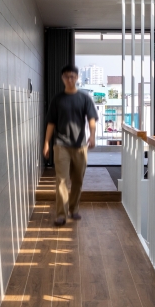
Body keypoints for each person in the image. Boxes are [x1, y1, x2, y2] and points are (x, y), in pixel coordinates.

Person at [43, 64, 98, 226]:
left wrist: (92, 136)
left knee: (78, 180)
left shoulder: (84, 98)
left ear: (77, 77)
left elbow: (91, 119)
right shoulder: (57, 99)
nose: (69, 79)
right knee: (61, 180)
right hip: (61, 145)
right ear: (62, 78)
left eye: (72, 76)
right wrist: (46, 143)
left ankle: (74, 209)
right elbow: (51, 123)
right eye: (66, 76)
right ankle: (61, 214)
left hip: (80, 146)